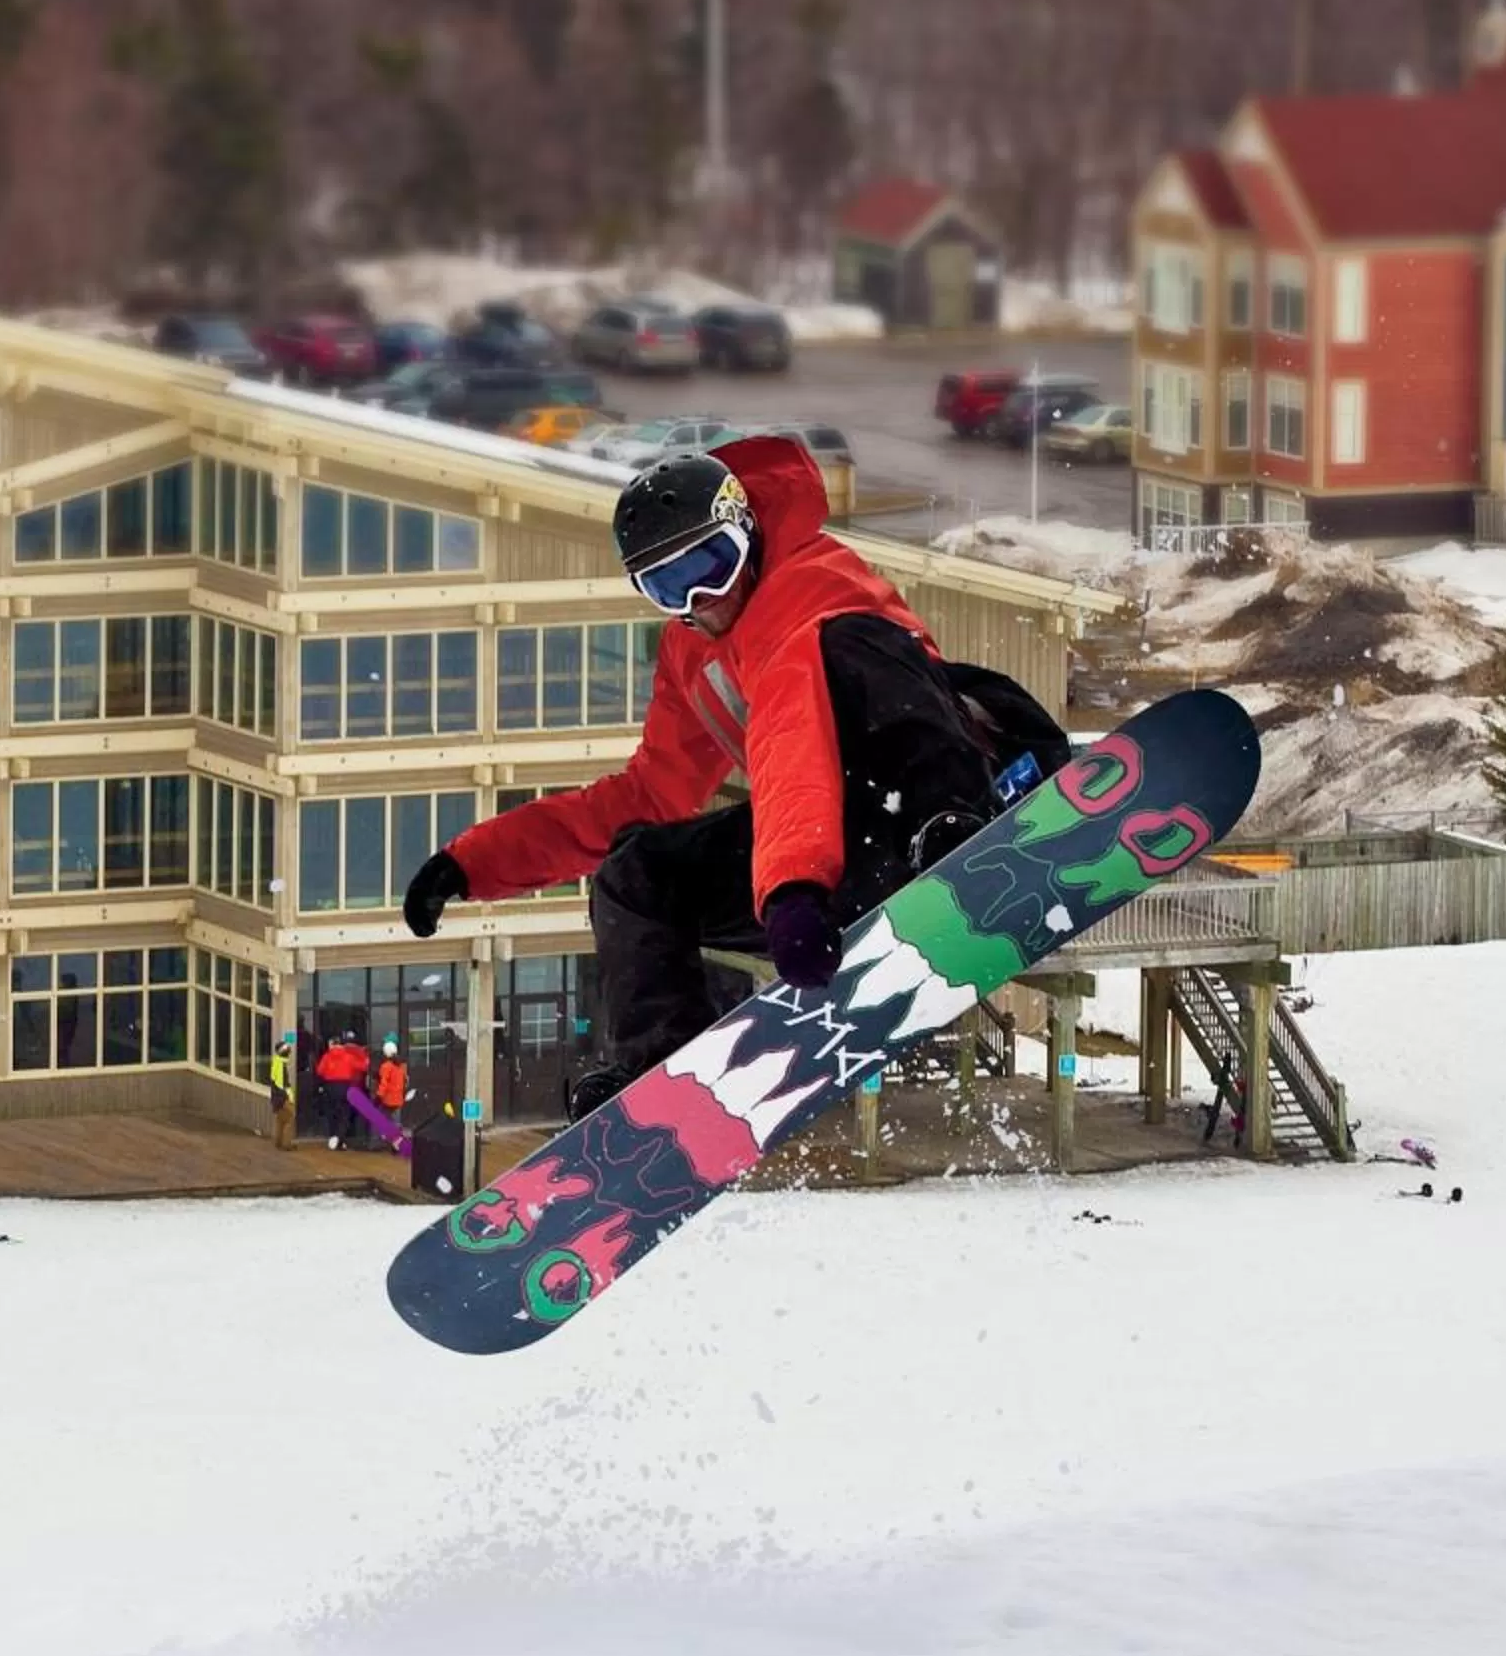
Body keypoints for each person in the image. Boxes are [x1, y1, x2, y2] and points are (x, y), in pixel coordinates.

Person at [401, 437, 1069, 1121]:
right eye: (669, 586)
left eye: (712, 565)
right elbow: (652, 795)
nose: (701, 598)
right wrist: (475, 861)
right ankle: (661, 1067)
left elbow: (791, 743)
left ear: (746, 534)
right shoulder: (692, 653)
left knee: (850, 655)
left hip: (926, 799)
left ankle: (953, 836)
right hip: (833, 859)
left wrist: (793, 889)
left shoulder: (811, 583)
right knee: (637, 873)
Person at [315, 1029, 373, 1149]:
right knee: (345, 1114)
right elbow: (363, 1067)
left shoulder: (327, 1056)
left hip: (329, 1087)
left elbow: (319, 1071)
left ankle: (334, 1137)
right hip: (344, 1086)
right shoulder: (348, 1057)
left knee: (332, 1113)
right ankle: (339, 1138)